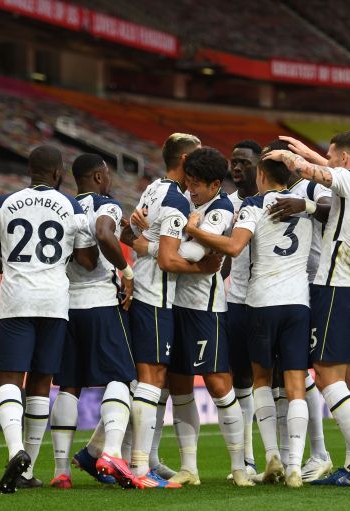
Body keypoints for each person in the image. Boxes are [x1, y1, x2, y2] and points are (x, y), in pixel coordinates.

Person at [185, 140, 313, 488]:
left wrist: (194, 229)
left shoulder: (255, 205)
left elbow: (234, 247)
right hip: (299, 302)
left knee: (260, 380)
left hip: (261, 301)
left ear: (261, 174)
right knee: (295, 385)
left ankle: (271, 454)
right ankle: (296, 468)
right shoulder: (307, 206)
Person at [264, 131, 350, 486]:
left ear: (344, 158)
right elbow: (328, 169)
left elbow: (311, 171)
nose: (327, 161)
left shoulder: (344, 178)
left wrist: (284, 157)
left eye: (331, 156)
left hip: (336, 287)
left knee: (327, 376)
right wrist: (308, 151)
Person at [134, 147, 253, 487]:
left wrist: (152, 245)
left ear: (216, 184)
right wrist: (154, 237)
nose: (192, 189)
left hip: (205, 309)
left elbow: (193, 252)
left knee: (218, 383)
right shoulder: (185, 200)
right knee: (180, 385)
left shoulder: (221, 208)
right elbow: (163, 239)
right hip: (175, 305)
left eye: (199, 184)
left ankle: (240, 467)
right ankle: (190, 468)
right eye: (189, 182)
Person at [0, 145, 98, 494]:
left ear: (29, 171)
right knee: (41, 382)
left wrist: (22, 268)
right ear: (59, 174)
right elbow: (85, 260)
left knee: (8, 378)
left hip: (17, 300)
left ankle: (15, 451)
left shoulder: (3, 203)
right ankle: (27, 468)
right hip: (54, 301)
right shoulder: (72, 205)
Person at [120, 133, 221, 489]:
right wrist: (204, 268)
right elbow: (168, 259)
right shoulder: (177, 200)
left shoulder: (152, 189)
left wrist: (142, 244)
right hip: (157, 297)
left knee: (148, 380)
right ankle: (138, 468)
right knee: (152, 379)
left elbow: (125, 233)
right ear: (184, 160)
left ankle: (129, 458)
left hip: (146, 294)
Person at [46, 154, 137, 490]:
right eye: (108, 174)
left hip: (67, 305)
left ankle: (61, 471)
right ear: (99, 177)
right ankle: (111, 452)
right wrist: (126, 271)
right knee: (121, 376)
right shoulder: (105, 204)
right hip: (101, 302)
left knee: (69, 384)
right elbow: (103, 233)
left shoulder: (63, 207)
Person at [267, 144, 333, 482]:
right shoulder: (265, 197)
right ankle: (288, 455)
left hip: (314, 284)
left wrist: (304, 206)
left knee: (307, 370)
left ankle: (320, 452)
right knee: (285, 373)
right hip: (285, 289)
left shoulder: (309, 186)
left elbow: (329, 208)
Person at [225, 139, 262, 477]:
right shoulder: (225, 204)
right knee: (242, 380)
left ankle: (296, 456)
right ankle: (248, 458)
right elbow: (223, 255)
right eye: (233, 162)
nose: (236, 168)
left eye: (244, 163)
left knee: (281, 383)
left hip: (270, 300)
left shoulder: (275, 202)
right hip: (236, 301)